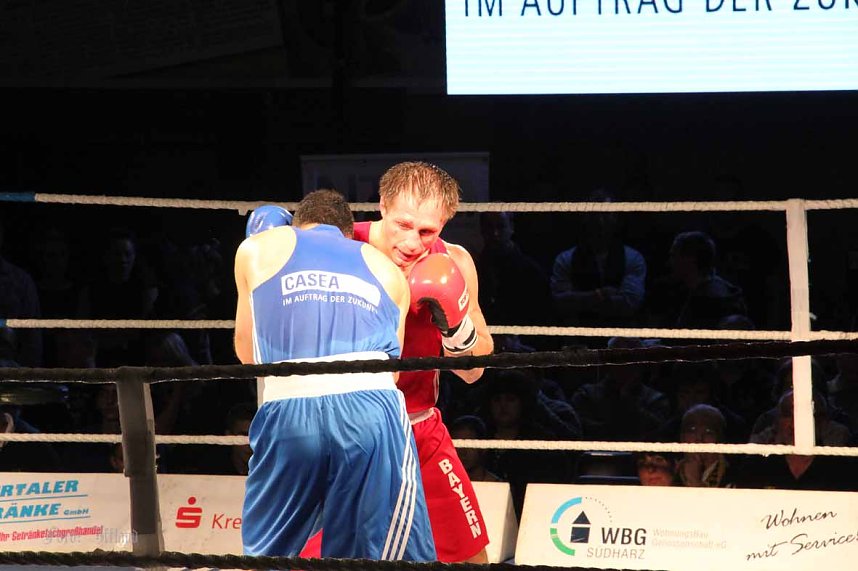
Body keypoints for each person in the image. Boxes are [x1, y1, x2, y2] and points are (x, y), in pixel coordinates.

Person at [233, 190, 436, 560]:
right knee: (373, 556)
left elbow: (247, 354)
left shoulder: (259, 247)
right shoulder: (388, 270)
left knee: (264, 557)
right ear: (347, 232)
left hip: (288, 409)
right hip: (369, 409)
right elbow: (392, 376)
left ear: (298, 224)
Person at [349, 161, 495, 563]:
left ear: (445, 223)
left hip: (418, 427)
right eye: (403, 224)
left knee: (471, 559)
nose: (413, 242)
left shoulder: (455, 262)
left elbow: (474, 371)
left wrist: (457, 330)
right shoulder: (344, 247)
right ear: (381, 205)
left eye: (428, 231)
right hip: (346, 430)